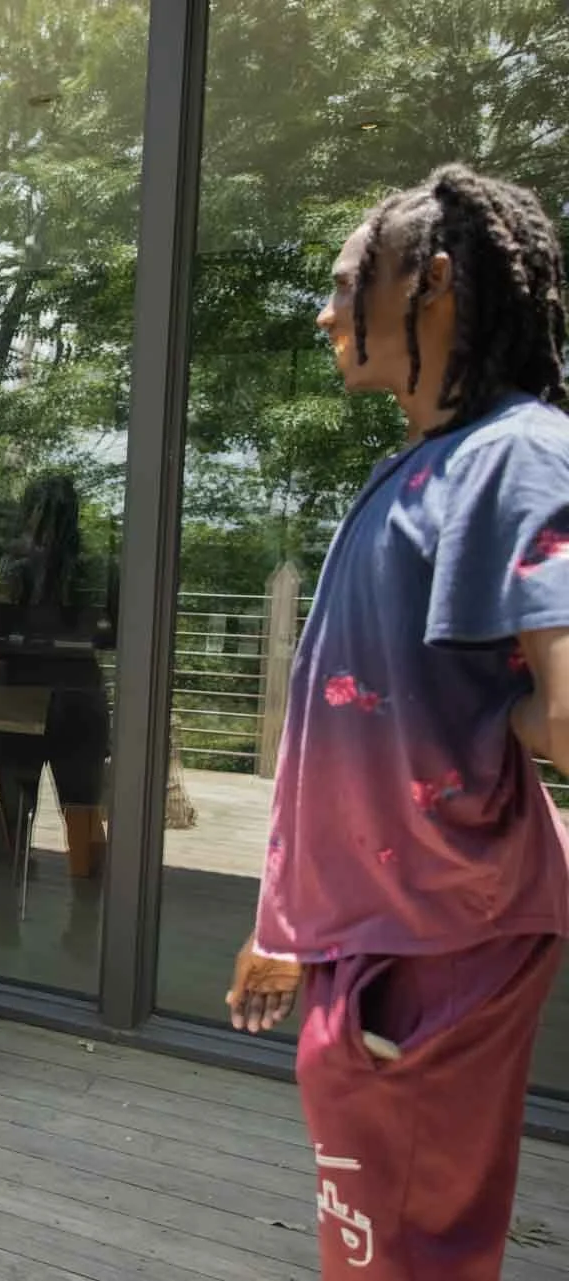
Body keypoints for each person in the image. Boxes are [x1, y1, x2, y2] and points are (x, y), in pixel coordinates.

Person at [225, 164, 569, 1280]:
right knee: (371, 1244)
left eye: (342, 286)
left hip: (443, 930)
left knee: (407, 1256)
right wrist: (288, 928)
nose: (324, 314)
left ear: (429, 285)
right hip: (380, 929)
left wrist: (527, 725)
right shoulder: (426, 465)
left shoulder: (518, 454)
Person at [0, 474, 114, 879]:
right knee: (82, 807)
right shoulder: (99, 567)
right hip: (80, 693)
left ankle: (7, 902)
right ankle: (90, 914)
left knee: (13, 811)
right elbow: (112, 635)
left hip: (20, 693)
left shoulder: (14, 563)